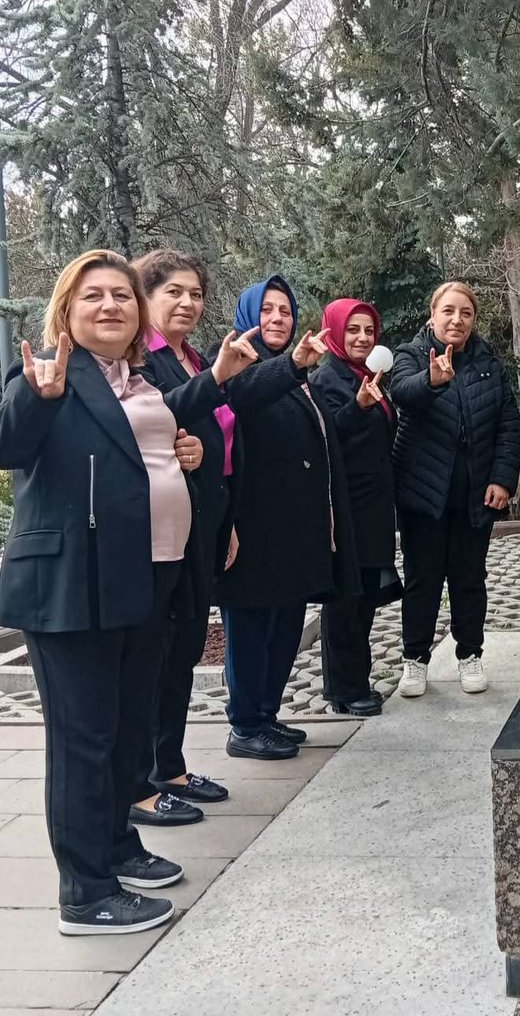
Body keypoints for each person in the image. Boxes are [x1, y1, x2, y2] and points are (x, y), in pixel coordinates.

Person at [0, 250, 254, 935]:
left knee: (121, 734)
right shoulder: (51, 377)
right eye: (93, 296)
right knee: (82, 740)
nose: (110, 305)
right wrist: (33, 394)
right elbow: (9, 443)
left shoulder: (131, 380)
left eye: (120, 295)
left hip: (145, 576)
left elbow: (156, 424)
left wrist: (198, 422)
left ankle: (116, 846)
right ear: (66, 311)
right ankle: (84, 892)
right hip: (72, 586)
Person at [126, 249, 247, 825]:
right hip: (161, 531)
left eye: (196, 293)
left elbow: (212, 440)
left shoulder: (192, 355)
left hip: (204, 523)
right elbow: (159, 415)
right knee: (159, 650)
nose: (188, 303)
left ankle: (171, 765)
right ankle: (149, 772)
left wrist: (227, 523)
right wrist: (215, 380)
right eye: (174, 291)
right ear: (145, 297)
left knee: (185, 649)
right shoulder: (141, 360)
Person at [216, 276, 359, 759]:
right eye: (268, 310)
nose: (278, 319)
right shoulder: (236, 366)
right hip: (253, 533)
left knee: (282, 631)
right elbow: (242, 398)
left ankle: (267, 715)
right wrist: (295, 364)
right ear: (248, 317)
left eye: (285, 311)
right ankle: (244, 725)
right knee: (252, 631)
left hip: (294, 533)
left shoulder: (294, 376)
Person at [389, 281, 520, 697]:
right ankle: (415, 660)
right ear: (433, 314)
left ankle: (469, 654)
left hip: (473, 495)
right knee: (422, 579)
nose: (456, 320)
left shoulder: (486, 362)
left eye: (465, 313)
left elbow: (508, 423)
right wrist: (431, 379)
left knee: (469, 579)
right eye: (448, 311)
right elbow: (402, 394)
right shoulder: (411, 355)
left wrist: (502, 478)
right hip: (423, 494)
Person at [310, 298, 402, 716]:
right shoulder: (326, 378)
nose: (363, 337)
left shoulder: (367, 375)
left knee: (362, 598)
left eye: (368, 330)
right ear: (333, 332)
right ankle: (342, 690)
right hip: (345, 505)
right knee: (345, 600)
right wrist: (358, 407)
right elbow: (326, 437)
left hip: (374, 504)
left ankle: (355, 681)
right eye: (353, 330)